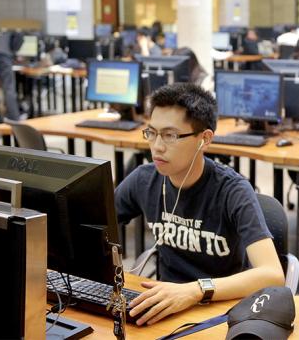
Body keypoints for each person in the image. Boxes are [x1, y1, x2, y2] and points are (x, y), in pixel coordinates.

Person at [114, 84, 283, 325]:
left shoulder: (232, 191)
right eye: (152, 133)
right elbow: (93, 226)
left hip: (221, 310)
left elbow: (273, 275)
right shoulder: (144, 180)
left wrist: (194, 290)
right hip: (163, 306)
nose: (157, 146)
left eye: (170, 135)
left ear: (204, 139)